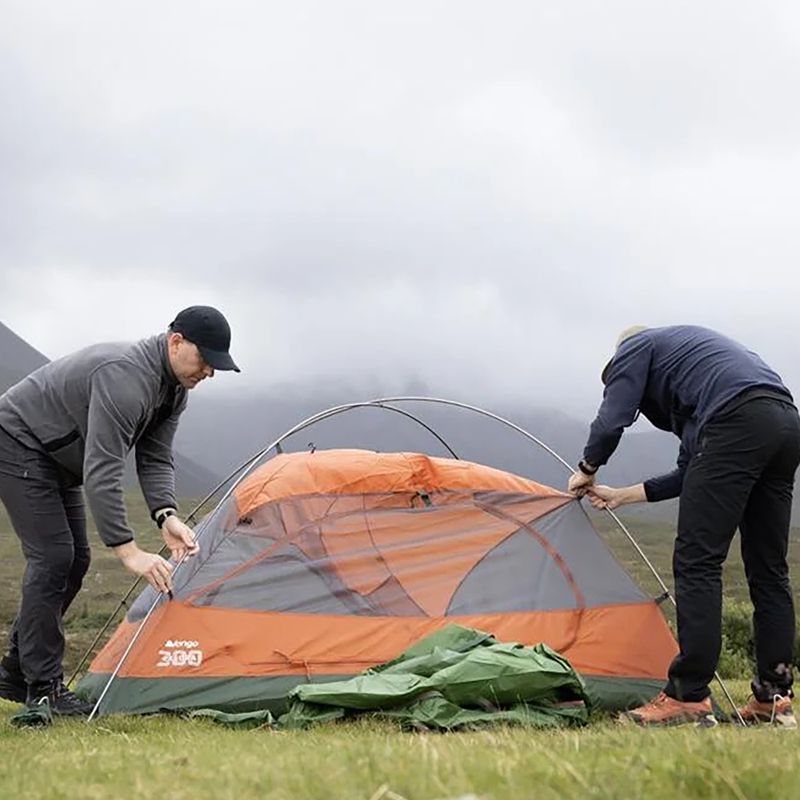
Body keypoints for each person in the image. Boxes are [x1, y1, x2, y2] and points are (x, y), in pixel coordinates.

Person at [0, 305, 240, 716]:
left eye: (216, 366)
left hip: (58, 460)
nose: (209, 373)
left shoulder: (173, 391)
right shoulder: (125, 377)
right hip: (19, 442)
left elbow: (155, 457)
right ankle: (44, 689)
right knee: (54, 556)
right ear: (176, 342)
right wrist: (128, 551)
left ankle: (15, 672)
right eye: (206, 360)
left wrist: (167, 515)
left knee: (76, 560)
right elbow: (104, 465)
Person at [568, 325, 800, 728]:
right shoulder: (699, 371)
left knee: (697, 562)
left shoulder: (637, 346)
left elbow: (612, 418)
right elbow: (692, 470)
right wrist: (623, 494)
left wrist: (587, 468)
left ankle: (688, 696)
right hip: (784, 423)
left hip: (738, 421)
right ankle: (773, 697)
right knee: (769, 569)